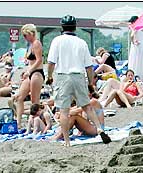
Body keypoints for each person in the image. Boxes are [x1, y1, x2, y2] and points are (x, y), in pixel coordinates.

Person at [46, 15, 111, 146]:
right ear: (75, 27)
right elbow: (89, 67)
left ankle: (67, 141)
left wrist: (49, 76)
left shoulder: (57, 41)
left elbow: (51, 62)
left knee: (64, 110)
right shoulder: (82, 42)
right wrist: (90, 83)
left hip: (63, 75)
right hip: (79, 75)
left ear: (62, 27)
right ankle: (98, 127)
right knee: (86, 106)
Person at [15, 24, 44, 126]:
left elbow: (39, 60)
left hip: (37, 73)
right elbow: (30, 62)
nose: (25, 38)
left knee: (34, 101)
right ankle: (18, 122)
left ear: (31, 34)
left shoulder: (36, 43)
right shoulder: (30, 45)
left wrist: (29, 71)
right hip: (31, 72)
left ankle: (36, 123)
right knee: (19, 97)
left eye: (25, 35)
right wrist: (26, 71)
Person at [128, 16, 143, 81]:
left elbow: (132, 36)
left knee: (135, 62)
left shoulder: (135, 27)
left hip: (136, 47)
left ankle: (135, 77)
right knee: (142, 63)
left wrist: (133, 41)